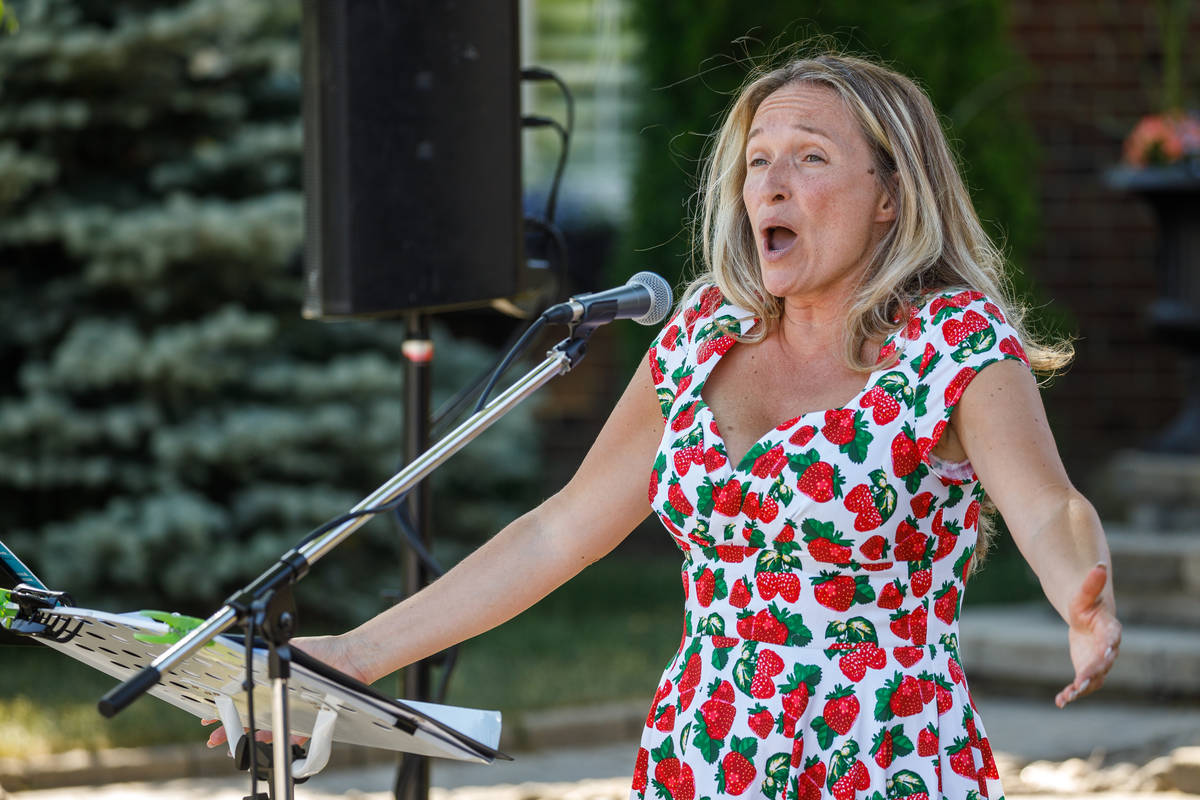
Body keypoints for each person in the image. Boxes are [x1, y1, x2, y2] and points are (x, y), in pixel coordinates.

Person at [208, 52, 1122, 798]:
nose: (771, 183)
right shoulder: (701, 333)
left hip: (882, 762)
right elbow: (557, 531)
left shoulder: (952, 344)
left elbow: (1047, 508)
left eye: (809, 157)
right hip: (700, 755)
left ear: (891, 195)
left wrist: (1083, 590)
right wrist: (354, 657)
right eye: (757, 160)